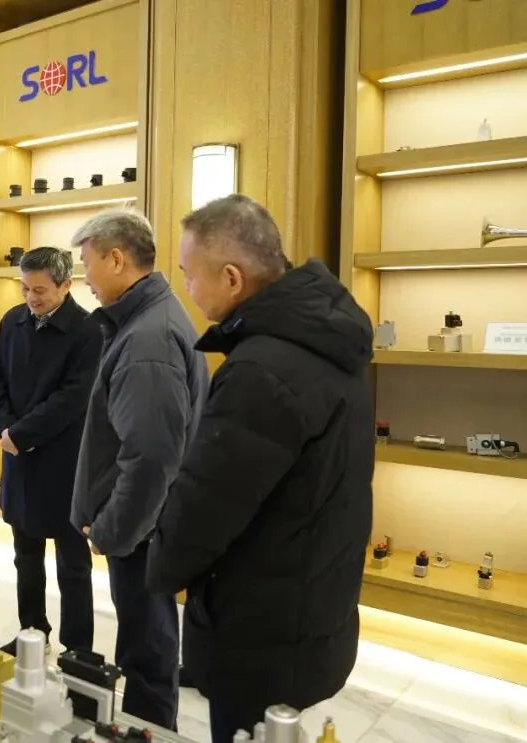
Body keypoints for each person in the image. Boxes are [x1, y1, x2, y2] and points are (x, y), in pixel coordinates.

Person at [146, 195, 374, 742]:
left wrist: (160, 568)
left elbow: (209, 501)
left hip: (260, 621)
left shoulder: (262, 370)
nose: (187, 288)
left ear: (231, 278)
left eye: (189, 274)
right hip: (309, 601)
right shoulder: (325, 342)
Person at [70, 209, 208, 731]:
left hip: (141, 531)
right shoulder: (145, 321)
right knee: (147, 645)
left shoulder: (148, 340)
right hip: (145, 526)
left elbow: (150, 459)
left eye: (87, 263)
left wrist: (112, 530)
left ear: (115, 259)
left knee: (146, 657)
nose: (84, 277)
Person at [0, 247, 101, 656]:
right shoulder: (12, 321)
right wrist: (4, 427)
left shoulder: (88, 331)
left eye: (40, 290)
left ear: (66, 285)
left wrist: (23, 433)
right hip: (18, 456)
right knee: (25, 555)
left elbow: (74, 397)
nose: (31, 298)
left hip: (65, 462)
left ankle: (78, 649)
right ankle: (32, 631)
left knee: (73, 563)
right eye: (25, 288)